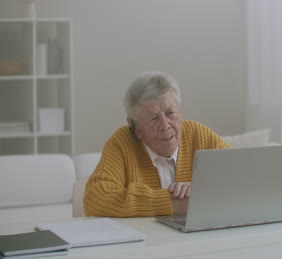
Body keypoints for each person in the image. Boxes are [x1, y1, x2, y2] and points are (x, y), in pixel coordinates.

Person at [83, 71, 230, 217]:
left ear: (180, 111)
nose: (165, 126)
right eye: (153, 118)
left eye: (170, 113)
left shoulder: (200, 136)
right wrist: (171, 203)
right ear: (134, 126)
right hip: (146, 238)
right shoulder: (121, 144)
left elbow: (242, 179)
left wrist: (201, 191)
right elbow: (95, 198)